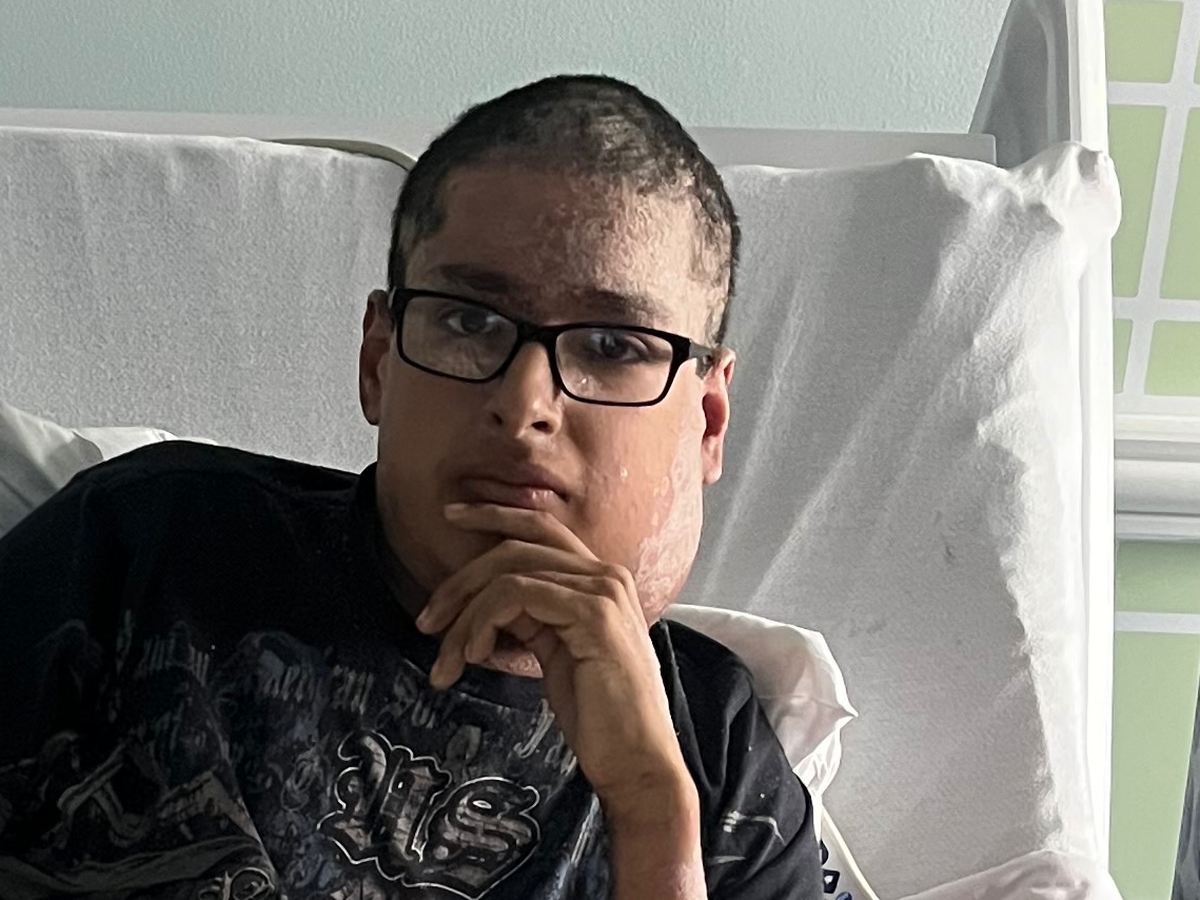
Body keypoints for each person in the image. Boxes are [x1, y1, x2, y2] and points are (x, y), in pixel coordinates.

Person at [0, 75, 822, 899]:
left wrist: (653, 816)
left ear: (708, 421)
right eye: (469, 321)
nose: (525, 404)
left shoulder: (718, 769)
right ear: (378, 361)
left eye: (613, 345)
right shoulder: (139, 552)